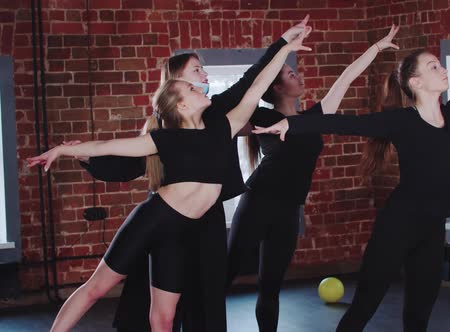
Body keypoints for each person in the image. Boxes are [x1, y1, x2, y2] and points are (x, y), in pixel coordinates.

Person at [253, 2, 450, 331]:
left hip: (431, 228)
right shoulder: (401, 122)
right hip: (397, 227)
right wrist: (293, 126)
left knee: (419, 314)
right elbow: (348, 124)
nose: (442, 69)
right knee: (364, 308)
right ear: (415, 83)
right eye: (433, 67)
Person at [27, 29, 312, 332]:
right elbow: (107, 147)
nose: (200, 84)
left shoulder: (223, 125)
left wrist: (285, 46)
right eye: (191, 85)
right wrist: (63, 151)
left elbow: (255, 85)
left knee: (162, 317)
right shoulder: (164, 138)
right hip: (155, 219)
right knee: (96, 288)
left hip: (184, 232)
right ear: (181, 105)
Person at [226, 24, 400, 332]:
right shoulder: (262, 118)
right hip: (257, 203)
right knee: (226, 274)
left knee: (270, 287)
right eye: (290, 75)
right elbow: (221, 123)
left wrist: (376, 48)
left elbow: (346, 78)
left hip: (288, 211)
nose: (298, 76)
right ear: (278, 87)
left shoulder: (314, 118)